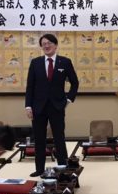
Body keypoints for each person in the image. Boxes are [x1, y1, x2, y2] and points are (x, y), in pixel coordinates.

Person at [25, 33, 79, 176]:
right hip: (38, 107)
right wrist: (28, 106)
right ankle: (39, 169)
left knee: (59, 138)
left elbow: (75, 83)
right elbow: (30, 86)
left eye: (49, 43)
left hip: (57, 106)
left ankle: (62, 167)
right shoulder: (35, 63)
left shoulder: (65, 62)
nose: (46, 46)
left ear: (55, 45)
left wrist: (68, 99)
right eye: (44, 44)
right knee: (39, 139)